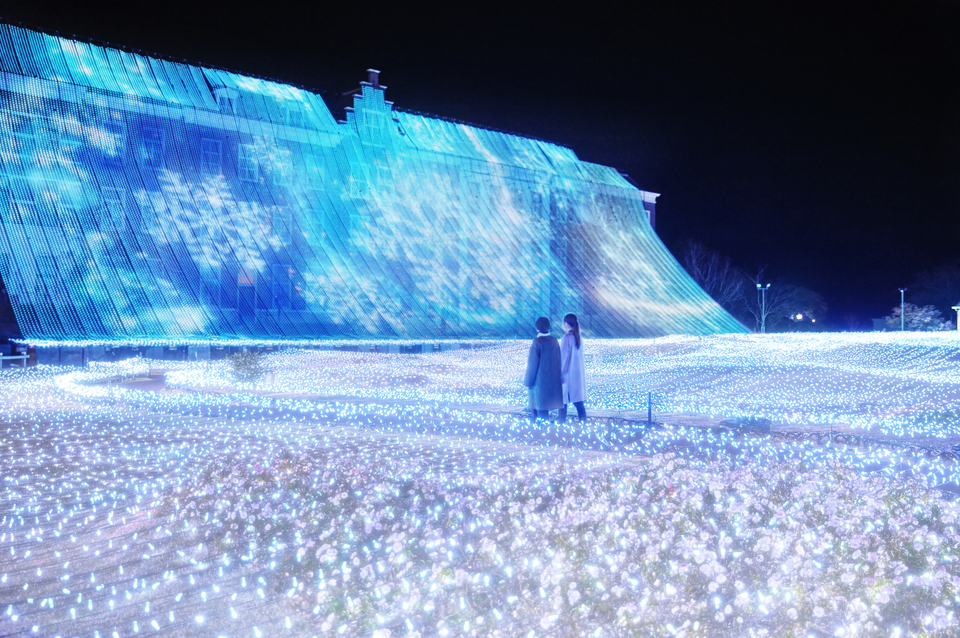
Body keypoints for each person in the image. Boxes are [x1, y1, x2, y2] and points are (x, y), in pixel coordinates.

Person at [523, 316, 562, 421]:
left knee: (538, 407)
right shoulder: (554, 341)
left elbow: (532, 364)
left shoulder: (537, 342)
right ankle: (545, 427)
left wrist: (527, 382)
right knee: (545, 408)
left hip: (538, 381)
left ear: (537, 328)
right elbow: (559, 360)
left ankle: (540, 428)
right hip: (552, 380)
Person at [559, 313, 587, 422]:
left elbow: (563, 357)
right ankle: (583, 423)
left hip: (567, 374)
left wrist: (559, 373)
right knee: (579, 402)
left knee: (563, 401)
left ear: (566, 324)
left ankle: (561, 423)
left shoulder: (566, 338)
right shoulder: (578, 337)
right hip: (577, 374)